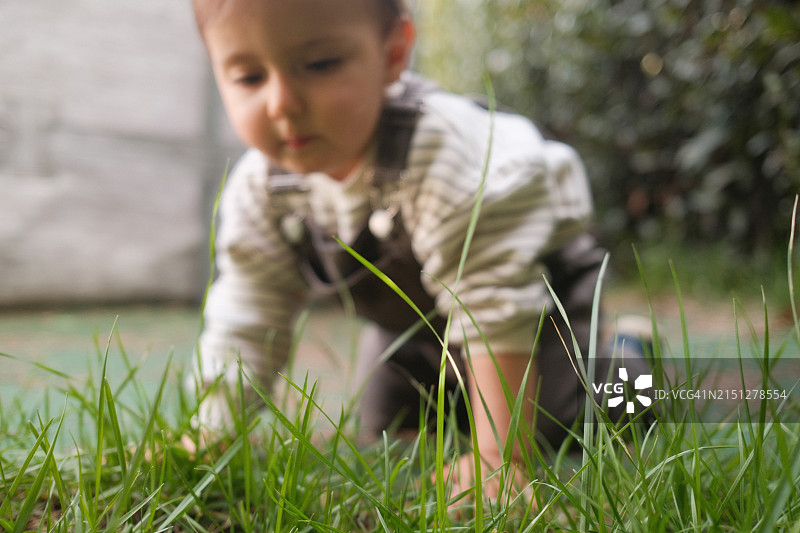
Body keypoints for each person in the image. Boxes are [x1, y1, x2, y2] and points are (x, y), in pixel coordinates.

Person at [189, 0, 650, 498]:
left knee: (561, 423)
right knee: (386, 434)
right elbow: (248, 310)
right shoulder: (261, 187)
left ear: (392, 55)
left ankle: (625, 355)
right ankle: (464, 405)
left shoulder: (444, 157)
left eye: (320, 65)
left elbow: (493, 308)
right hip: (412, 326)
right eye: (249, 77)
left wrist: (500, 459)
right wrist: (210, 436)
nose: (281, 103)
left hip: (532, 308)